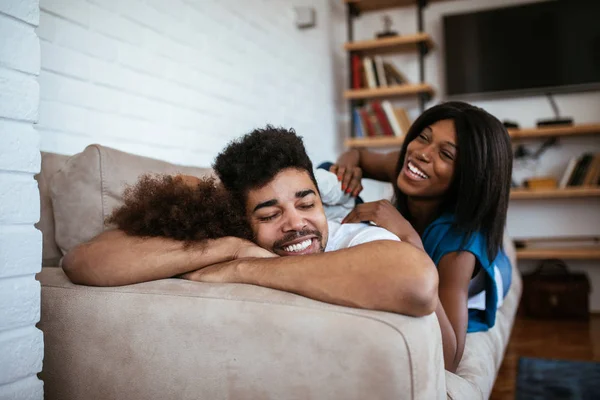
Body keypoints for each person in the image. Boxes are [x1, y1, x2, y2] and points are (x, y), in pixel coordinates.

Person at [62, 126, 438, 318]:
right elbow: (82, 261)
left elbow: (416, 282)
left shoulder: (352, 238)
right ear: (243, 223)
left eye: (306, 204)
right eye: (270, 214)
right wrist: (232, 247)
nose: (295, 224)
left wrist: (243, 268)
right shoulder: (234, 240)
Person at [331, 101, 513, 372]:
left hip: (488, 270)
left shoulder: (459, 249)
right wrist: (345, 168)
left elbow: (449, 359)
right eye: (423, 138)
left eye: (447, 155)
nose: (422, 154)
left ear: (468, 177)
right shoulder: (408, 164)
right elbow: (357, 153)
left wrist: (409, 238)